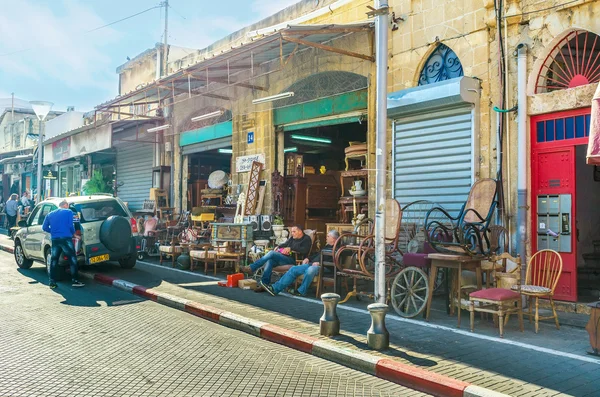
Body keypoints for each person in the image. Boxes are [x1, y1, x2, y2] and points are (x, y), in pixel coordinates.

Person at [262, 230, 339, 297]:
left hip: (325, 267)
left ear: (334, 239)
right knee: (294, 269)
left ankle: (301, 291)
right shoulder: (327, 246)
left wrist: (320, 263)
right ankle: (275, 288)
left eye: (328, 236)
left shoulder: (339, 248)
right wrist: (308, 258)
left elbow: (336, 259)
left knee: (311, 269)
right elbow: (316, 255)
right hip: (312, 264)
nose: (326, 238)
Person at [241, 225, 312, 291]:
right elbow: (285, 244)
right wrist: (279, 246)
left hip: (294, 261)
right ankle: (264, 284)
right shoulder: (292, 238)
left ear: (300, 232)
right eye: (292, 232)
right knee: (270, 261)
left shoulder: (306, 239)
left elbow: (304, 250)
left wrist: (291, 248)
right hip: (285, 258)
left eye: (294, 231)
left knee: (272, 253)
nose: (292, 233)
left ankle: (252, 267)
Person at [42, 200, 84, 289]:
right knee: (72, 259)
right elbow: (70, 225)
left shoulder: (50, 214)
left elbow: (44, 227)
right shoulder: (68, 212)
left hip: (55, 239)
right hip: (66, 238)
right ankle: (75, 280)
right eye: (67, 205)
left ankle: (52, 282)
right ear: (65, 205)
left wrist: (53, 231)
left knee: (54, 260)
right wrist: (74, 235)